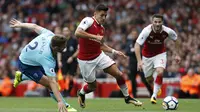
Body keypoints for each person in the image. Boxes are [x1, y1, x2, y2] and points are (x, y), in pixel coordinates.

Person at [75, 4, 142, 108]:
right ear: (95, 14)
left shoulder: (102, 28)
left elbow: (101, 46)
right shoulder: (88, 20)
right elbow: (77, 32)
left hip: (99, 56)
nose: (104, 18)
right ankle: (82, 93)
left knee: (119, 74)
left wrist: (115, 51)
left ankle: (127, 97)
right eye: (102, 15)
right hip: (85, 60)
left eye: (105, 15)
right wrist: (95, 37)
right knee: (92, 87)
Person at [9, 18, 76, 112]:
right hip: (26, 65)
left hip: (32, 58)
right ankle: (66, 106)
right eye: (63, 47)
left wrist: (20, 24)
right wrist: (59, 100)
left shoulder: (50, 34)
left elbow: (34, 26)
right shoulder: (47, 58)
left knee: (53, 83)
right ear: (56, 47)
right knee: (50, 85)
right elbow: (52, 82)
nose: (65, 48)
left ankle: (21, 76)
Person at [134, 14, 181, 104]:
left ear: (162, 22)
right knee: (148, 79)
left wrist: (177, 54)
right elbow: (137, 45)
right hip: (146, 56)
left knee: (160, 71)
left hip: (160, 54)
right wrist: (139, 61)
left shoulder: (167, 31)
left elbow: (176, 40)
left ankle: (154, 95)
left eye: (159, 22)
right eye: (155, 22)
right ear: (152, 22)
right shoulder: (146, 31)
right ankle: (155, 87)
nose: (157, 24)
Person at [125, 30, 153, 98]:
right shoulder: (129, 43)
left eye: (135, 34)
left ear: (138, 35)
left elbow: (143, 51)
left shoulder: (141, 42)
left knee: (144, 79)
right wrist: (134, 51)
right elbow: (127, 52)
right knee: (133, 81)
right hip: (132, 65)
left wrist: (134, 51)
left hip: (140, 64)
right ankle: (134, 96)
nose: (134, 35)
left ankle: (151, 93)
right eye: (133, 34)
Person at [57, 27, 78, 96]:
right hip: (64, 60)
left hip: (72, 61)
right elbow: (59, 52)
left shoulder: (74, 40)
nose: (65, 32)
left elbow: (78, 50)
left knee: (71, 77)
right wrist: (59, 61)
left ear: (69, 32)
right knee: (63, 77)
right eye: (64, 31)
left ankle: (68, 92)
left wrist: (72, 57)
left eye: (66, 31)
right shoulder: (61, 41)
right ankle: (64, 91)